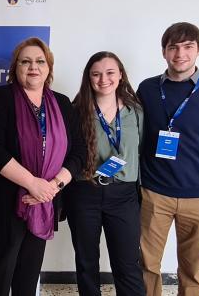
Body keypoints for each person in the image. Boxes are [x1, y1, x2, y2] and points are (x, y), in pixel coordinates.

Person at [137, 22, 199, 296]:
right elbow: (135, 139)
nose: (180, 54)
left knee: (192, 270)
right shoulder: (146, 89)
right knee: (146, 265)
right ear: (164, 52)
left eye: (187, 47)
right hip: (154, 193)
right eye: (173, 47)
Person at [0, 37, 86, 296]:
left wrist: (52, 186)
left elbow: (79, 151)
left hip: (45, 202)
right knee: (0, 271)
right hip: (7, 203)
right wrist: (32, 184)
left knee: (29, 273)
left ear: (49, 68)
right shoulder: (2, 98)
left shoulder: (61, 103)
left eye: (40, 61)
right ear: (15, 68)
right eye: (25, 61)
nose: (33, 67)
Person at [66, 51, 145, 296]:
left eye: (110, 72)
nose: (103, 79)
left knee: (128, 263)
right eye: (96, 74)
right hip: (84, 193)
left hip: (124, 196)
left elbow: (141, 152)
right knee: (86, 262)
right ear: (88, 78)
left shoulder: (136, 112)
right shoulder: (76, 111)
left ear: (120, 75)